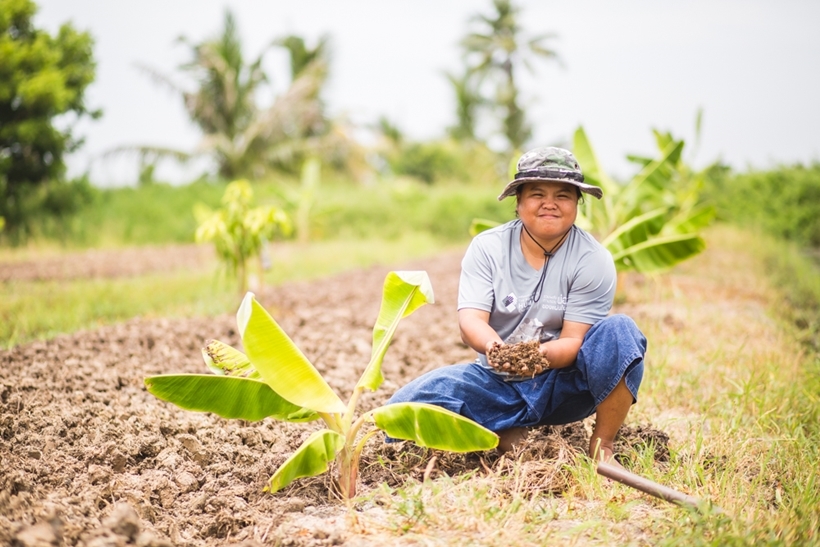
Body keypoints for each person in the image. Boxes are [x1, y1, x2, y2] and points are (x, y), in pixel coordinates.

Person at [387, 146, 647, 462]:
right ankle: (509, 435)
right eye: (537, 193)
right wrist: (496, 349)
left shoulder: (593, 259)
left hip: (564, 386)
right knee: (405, 404)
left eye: (563, 195)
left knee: (621, 331)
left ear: (577, 204)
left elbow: (573, 341)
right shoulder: (488, 248)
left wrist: (536, 357)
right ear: (519, 201)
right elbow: (471, 323)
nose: (549, 204)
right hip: (497, 381)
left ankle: (603, 444)